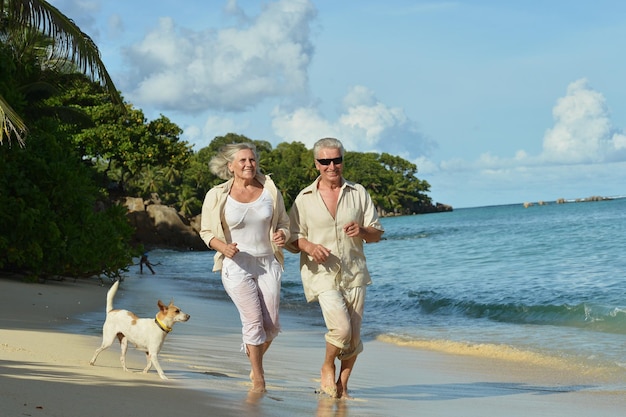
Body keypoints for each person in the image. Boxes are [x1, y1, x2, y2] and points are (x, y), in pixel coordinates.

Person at [287, 137, 384, 399]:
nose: (332, 166)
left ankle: (342, 387)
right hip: (322, 275)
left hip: (355, 272)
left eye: (336, 160)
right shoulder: (304, 198)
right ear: (316, 164)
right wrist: (309, 247)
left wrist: (362, 230)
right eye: (325, 161)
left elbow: (376, 234)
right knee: (341, 330)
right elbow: (292, 236)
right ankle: (327, 366)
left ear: (342, 160)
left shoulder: (358, 192)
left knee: (353, 337)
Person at [199, 142, 290, 393]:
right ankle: (259, 379)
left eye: (252, 160)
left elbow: (284, 222)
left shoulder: (270, 189)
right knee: (252, 323)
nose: (249, 164)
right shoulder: (216, 195)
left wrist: (282, 233)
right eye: (242, 161)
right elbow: (206, 232)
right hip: (236, 265)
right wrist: (223, 247)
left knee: (271, 326)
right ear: (230, 166)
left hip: (268, 262)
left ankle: (253, 357)